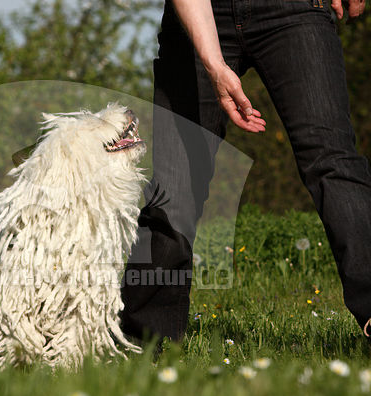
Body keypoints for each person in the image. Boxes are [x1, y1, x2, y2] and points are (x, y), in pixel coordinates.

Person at [120, 0, 371, 343]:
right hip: (199, 15)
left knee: (333, 162)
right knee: (174, 187)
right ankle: (143, 343)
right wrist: (215, 63)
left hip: (293, 10)